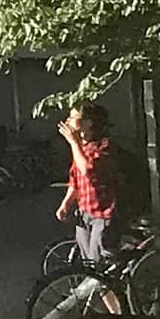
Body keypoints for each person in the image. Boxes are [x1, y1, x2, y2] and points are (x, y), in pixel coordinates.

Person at [58, 99, 132, 266]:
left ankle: (112, 292)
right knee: (89, 266)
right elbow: (75, 180)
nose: (68, 121)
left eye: (73, 117)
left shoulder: (103, 147)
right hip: (84, 214)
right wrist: (66, 204)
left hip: (103, 214)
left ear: (88, 123)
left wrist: (73, 142)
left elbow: (88, 171)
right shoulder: (80, 148)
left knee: (100, 270)